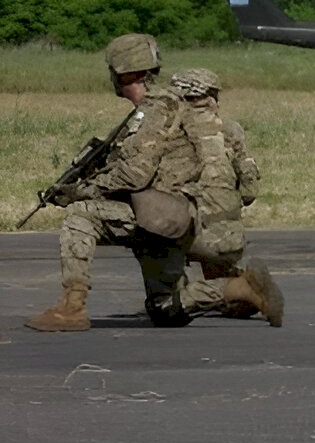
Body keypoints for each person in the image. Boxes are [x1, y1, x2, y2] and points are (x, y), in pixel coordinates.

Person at [25, 34, 276, 331]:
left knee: (80, 215)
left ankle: (72, 307)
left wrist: (81, 191)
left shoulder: (156, 109)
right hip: (168, 221)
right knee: (164, 309)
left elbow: (135, 174)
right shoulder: (168, 109)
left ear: (123, 73)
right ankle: (239, 289)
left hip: (168, 216)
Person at [169, 68, 283, 327]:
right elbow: (250, 192)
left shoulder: (170, 134)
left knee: (164, 302)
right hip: (230, 239)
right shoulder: (231, 132)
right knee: (232, 300)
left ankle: (239, 288)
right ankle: (241, 288)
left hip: (188, 236)